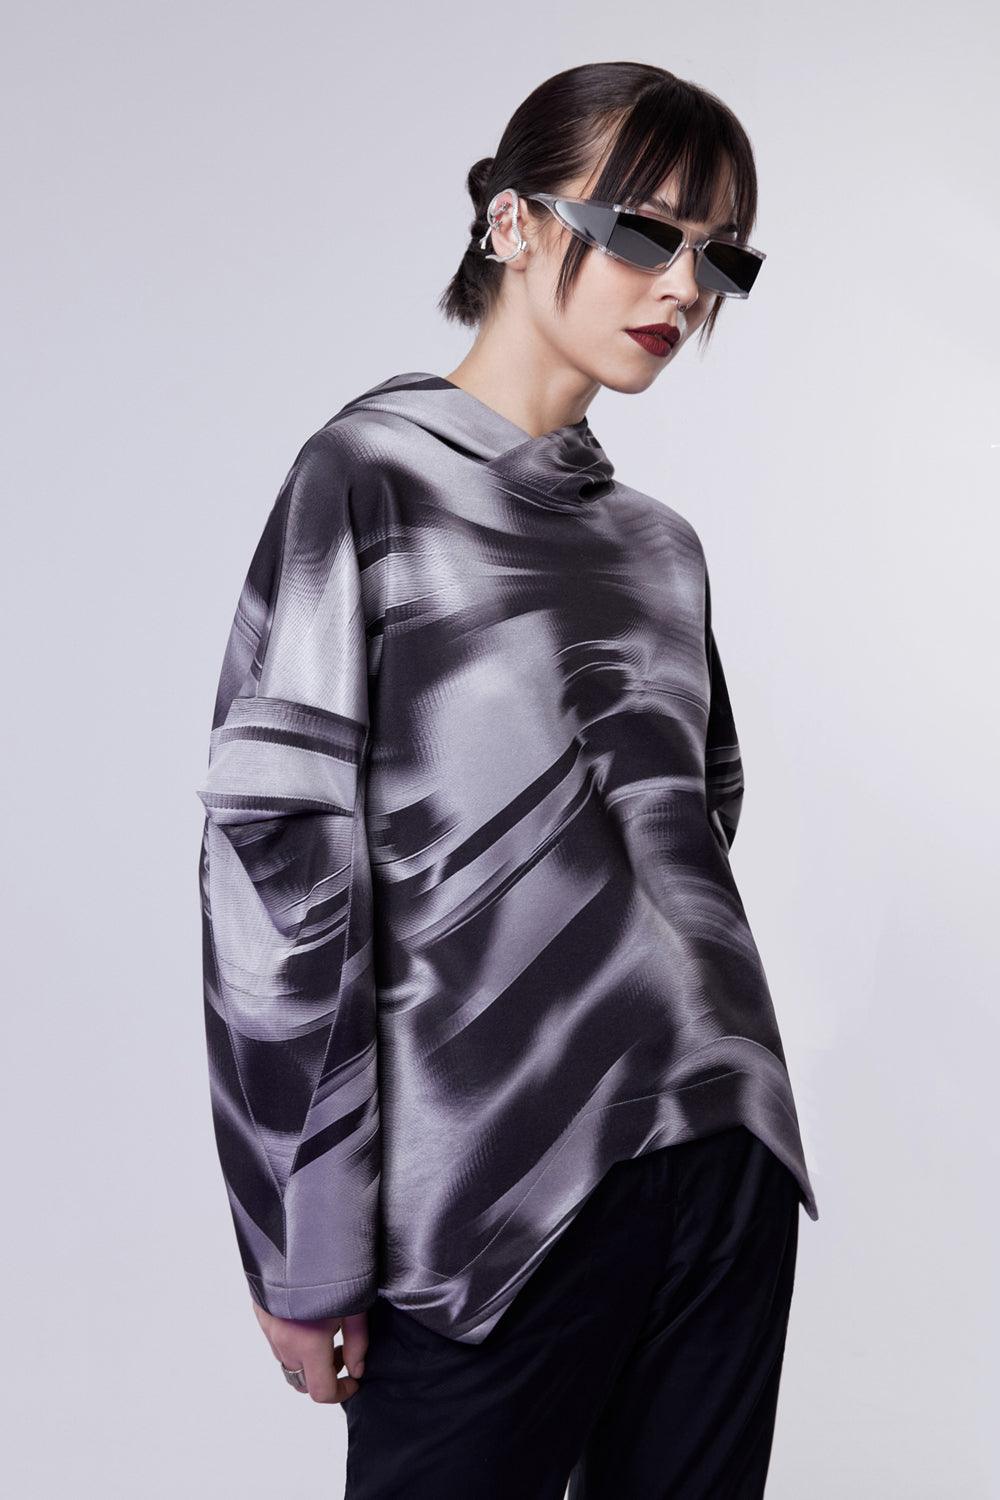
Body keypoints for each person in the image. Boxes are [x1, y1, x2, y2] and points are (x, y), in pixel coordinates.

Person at [196, 60, 818, 1499]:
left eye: (721, 255)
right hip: (489, 1188)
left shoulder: (659, 547)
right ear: (513, 222)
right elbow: (278, 869)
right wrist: (305, 1239)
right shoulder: (368, 480)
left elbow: (693, 821)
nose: (686, 287)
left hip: (719, 1143)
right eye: (647, 231)